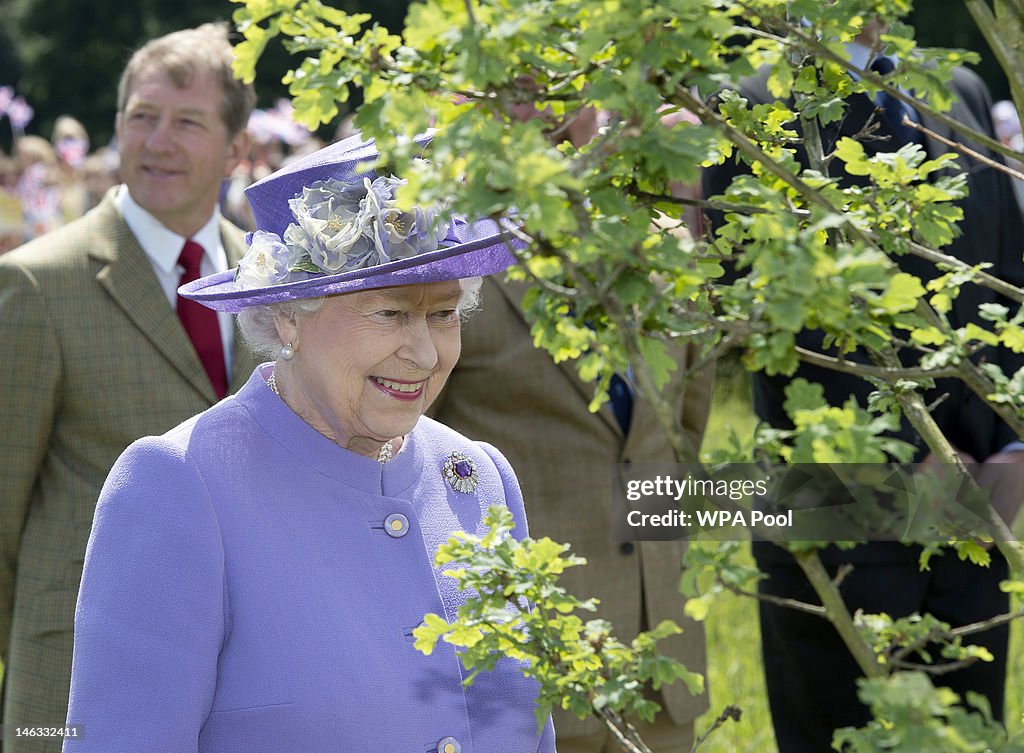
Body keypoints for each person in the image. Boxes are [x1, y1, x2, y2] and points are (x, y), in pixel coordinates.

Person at [62, 132, 556, 753]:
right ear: (290, 314)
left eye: (444, 314)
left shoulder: (479, 478)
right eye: (390, 313)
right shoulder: (180, 486)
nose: (427, 354)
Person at [701, 18, 1024, 753]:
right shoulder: (751, 109)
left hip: (980, 505)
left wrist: (1008, 445)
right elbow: (768, 328)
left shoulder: (962, 88)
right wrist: (910, 469)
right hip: (841, 521)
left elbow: (1009, 275)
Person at [0, 23, 259, 751]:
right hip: (75, 686)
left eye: (187, 122)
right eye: (142, 118)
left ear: (237, 150)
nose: (158, 141)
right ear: (117, 128)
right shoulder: (38, 282)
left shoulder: (271, 282)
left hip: (250, 682)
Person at [431, 99, 712, 753]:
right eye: (514, 87)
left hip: (661, 667)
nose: (541, 109)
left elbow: (683, 439)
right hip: (519, 674)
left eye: (562, 83)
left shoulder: (669, 248)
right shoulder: (451, 264)